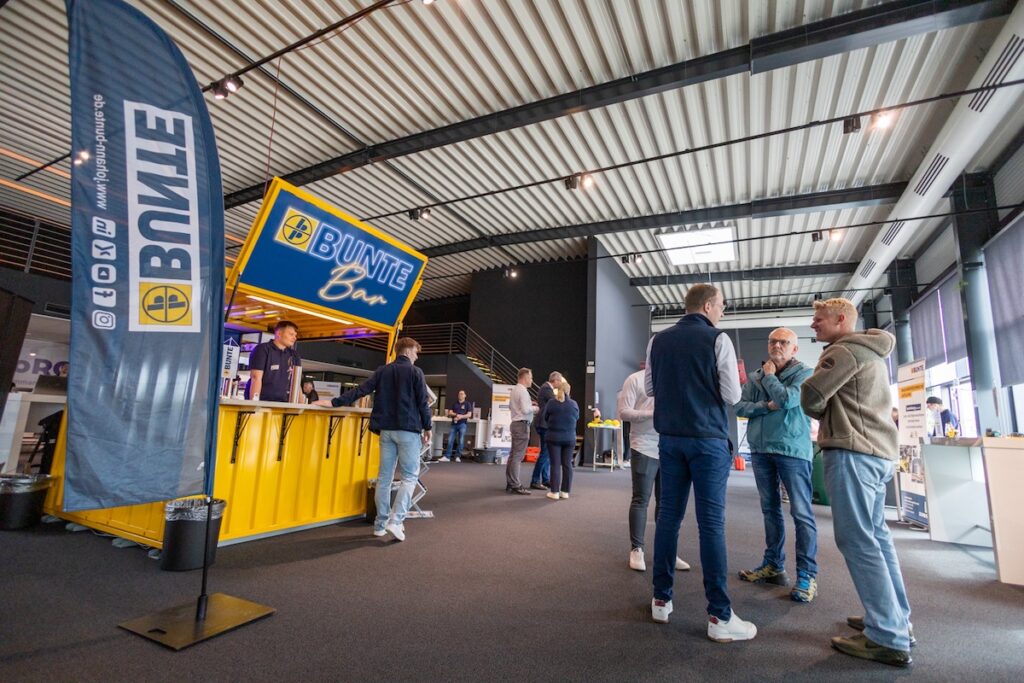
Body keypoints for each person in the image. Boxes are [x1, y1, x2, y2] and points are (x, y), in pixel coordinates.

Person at [801, 298, 913, 668]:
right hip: (877, 454)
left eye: (819, 319)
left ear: (841, 319)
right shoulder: (871, 351)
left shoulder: (843, 352)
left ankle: (887, 636)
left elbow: (811, 397)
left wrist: (821, 406)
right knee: (876, 538)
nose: (814, 324)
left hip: (853, 453)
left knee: (858, 540)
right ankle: (895, 619)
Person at [645, 283, 756, 642]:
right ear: (708, 306)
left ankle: (661, 600)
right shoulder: (718, 339)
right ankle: (719, 616)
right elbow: (732, 395)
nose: (722, 311)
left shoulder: (657, 341)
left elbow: (650, 389)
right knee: (711, 525)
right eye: (721, 305)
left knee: (668, 519)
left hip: (670, 439)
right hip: (707, 441)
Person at [314, 337, 431, 542]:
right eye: (415, 352)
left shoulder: (382, 371)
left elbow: (361, 390)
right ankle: (396, 521)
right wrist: (428, 426)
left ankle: (380, 524)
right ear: (407, 351)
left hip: (386, 431)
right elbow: (423, 402)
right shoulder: (416, 372)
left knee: (384, 478)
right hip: (408, 430)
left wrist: (334, 402)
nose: (417, 357)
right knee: (409, 477)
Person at [734, 328, 818, 601]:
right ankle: (773, 565)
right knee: (770, 511)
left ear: (794, 349)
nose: (777, 345)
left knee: (801, 513)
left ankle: (806, 575)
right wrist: (765, 406)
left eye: (784, 342)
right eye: (773, 341)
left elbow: (787, 400)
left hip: (792, 450)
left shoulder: (805, 374)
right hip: (760, 450)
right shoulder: (755, 376)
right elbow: (740, 407)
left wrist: (770, 378)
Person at [618, 361, 691, 574]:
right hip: (643, 445)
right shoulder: (635, 379)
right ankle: (637, 549)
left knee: (667, 503)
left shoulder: (674, 380)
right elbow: (623, 412)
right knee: (641, 499)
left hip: (671, 445)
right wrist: (653, 413)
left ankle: (667, 551)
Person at [541, 380, 579, 500]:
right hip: (569, 438)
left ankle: (555, 492)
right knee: (567, 465)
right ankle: (565, 492)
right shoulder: (574, 404)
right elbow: (576, 418)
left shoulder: (551, 403)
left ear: (557, 390)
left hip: (554, 437)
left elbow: (545, 417)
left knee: (555, 465)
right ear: (569, 391)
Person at [246, 321, 301, 402]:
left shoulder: (294, 355)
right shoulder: (263, 349)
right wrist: (254, 403)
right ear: (279, 333)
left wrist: (302, 405)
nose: (294, 338)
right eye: (291, 334)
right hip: (263, 401)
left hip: (284, 403)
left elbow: (297, 383)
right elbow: (256, 378)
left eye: (295, 335)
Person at [506, 367, 537, 495]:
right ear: (525, 378)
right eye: (531, 377)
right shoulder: (523, 391)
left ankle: (510, 483)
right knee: (517, 456)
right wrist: (536, 408)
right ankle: (516, 485)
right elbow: (525, 410)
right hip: (522, 425)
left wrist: (530, 405)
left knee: (513, 455)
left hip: (515, 424)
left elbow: (511, 406)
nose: (532, 380)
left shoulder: (514, 390)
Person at [530, 372, 562, 490]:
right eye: (560, 381)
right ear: (555, 380)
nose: (560, 384)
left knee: (546, 453)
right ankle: (535, 480)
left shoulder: (546, 388)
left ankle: (545, 479)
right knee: (545, 453)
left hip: (543, 424)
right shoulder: (547, 389)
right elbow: (556, 403)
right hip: (543, 424)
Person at [441, 390, 472, 462]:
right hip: (454, 424)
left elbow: (469, 414)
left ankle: (458, 456)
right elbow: (450, 412)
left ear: (465, 395)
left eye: (462, 394)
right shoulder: (455, 403)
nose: (460, 395)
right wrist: (456, 415)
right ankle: (447, 457)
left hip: (462, 424)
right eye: (459, 394)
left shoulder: (467, 404)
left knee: (461, 440)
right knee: (450, 440)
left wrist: (461, 417)